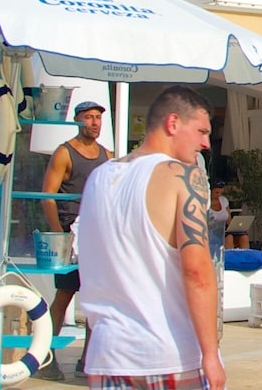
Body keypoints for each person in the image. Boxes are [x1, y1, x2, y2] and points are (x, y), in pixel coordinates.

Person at [75, 88, 223, 388]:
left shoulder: (99, 176)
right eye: (201, 131)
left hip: (107, 354)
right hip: (167, 352)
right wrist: (211, 354)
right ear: (172, 123)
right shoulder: (184, 176)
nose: (206, 143)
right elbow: (197, 272)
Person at [35, 101, 112, 381]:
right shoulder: (64, 153)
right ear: (78, 120)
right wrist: (60, 234)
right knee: (64, 295)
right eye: (89, 117)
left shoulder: (107, 155)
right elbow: (48, 195)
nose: (94, 123)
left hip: (97, 234)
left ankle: (87, 359)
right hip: (70, 230)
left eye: (98, 118)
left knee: (95, 298)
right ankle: (46, 356)